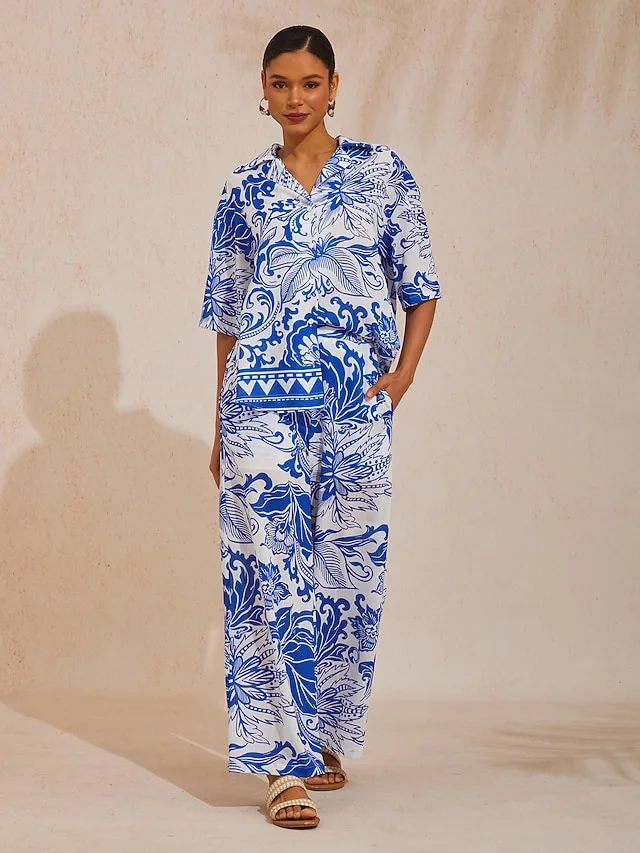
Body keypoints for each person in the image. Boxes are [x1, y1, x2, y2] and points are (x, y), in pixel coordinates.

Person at [199, 24, 441, 830]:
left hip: (354, 408)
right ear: (262, 91)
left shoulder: (382, 173)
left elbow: (421, 285)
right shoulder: (243, 189)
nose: (294, 97)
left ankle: (323, 733)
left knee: (348, 573)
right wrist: (220, 422)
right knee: (268, 572)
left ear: (334, 87)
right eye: (280, 83)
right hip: (259, 407)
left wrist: (402, 378)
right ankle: (281, 765)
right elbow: (227, 315)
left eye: (309, 83)